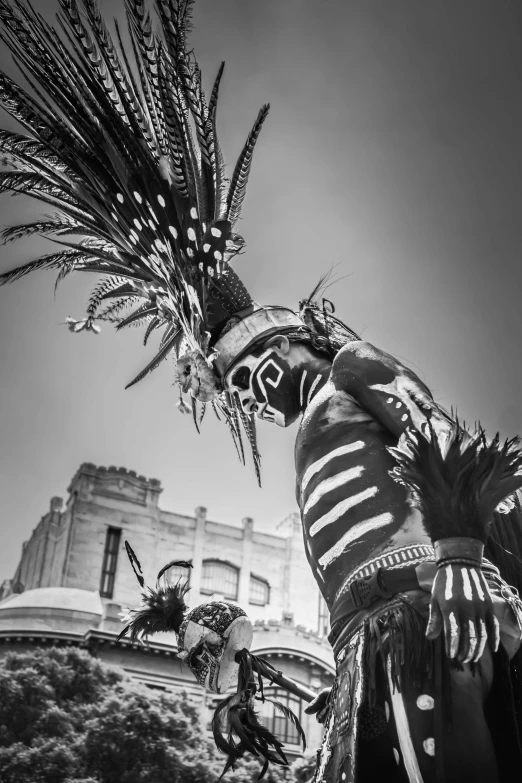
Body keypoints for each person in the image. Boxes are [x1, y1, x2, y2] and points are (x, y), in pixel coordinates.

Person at [1, 2, 522, 781]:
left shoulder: (352, 368)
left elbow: (436, 435)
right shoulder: (313, 428)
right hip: (363, 644)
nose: (252, 395)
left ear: (290, 341)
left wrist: (460, 554)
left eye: (251, 373)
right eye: (238, 390)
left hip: (433, 608)